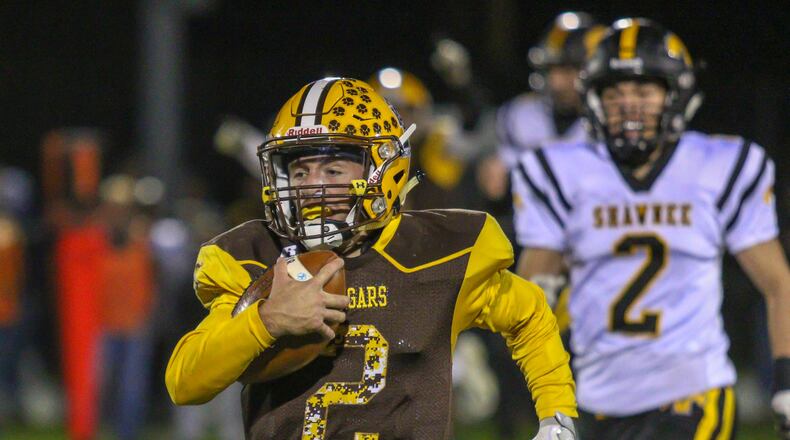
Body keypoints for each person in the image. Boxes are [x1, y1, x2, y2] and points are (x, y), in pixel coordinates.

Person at [165, 77, 577, 439]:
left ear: (385, 170)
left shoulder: (435, 253)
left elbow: (529, 314)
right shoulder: (258, 258)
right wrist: (267, 320)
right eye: (301, 171)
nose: (312, 188)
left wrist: (556, 415)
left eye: (332, 171)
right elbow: (185, 382)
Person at [513, 18, 790, 439]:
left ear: (675, 95)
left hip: (692, 393)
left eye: (644, 91)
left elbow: (778, 285)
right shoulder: (561, 170)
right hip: (595, 396)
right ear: (594, 101)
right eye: (615, 92)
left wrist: (786, 382)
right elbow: (535, 292)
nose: (629, 105)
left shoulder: (717, 165)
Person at [479, 12, 605, 204]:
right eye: (551, 69)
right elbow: (500, 170)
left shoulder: (611, 118)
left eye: (567, 69)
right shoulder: (521, 114)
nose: (556, 83)